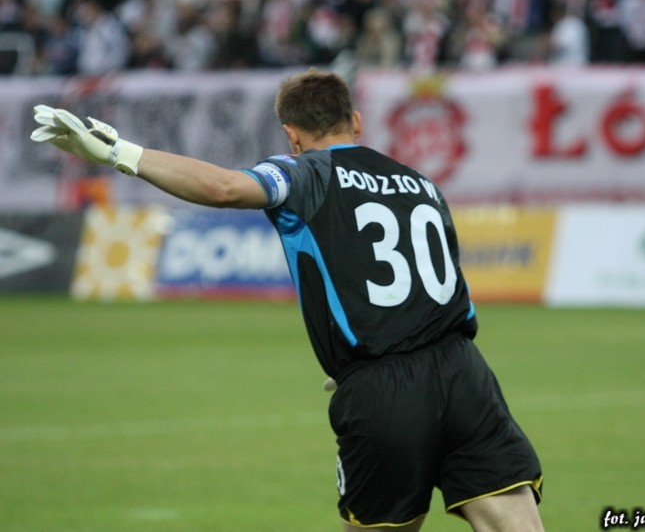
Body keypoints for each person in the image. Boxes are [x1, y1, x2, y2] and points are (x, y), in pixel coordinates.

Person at [30, 69, 545, 532]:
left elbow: (224, 188)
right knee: (514, 524)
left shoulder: (306, 173)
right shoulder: (420, 183)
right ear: (356, 121)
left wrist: (121, 153)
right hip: (465, 375)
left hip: (382, 390)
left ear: (291, 136)